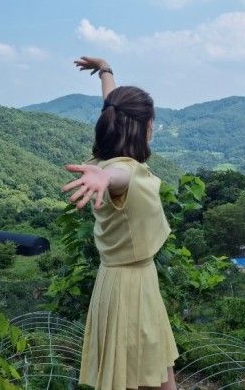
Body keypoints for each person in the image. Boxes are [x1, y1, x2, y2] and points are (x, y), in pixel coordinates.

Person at [61, 56, 179, 390]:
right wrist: (103, 179)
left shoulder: (105, 159)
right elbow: (118, 178)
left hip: (125, 280)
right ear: (145, 128)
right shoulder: (124, 170)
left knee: (160, 375)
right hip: (131, 289)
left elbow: (112, 106)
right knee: (148, 380)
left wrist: (106, 72)